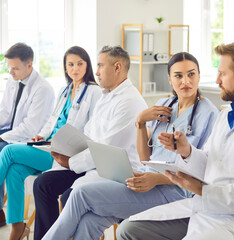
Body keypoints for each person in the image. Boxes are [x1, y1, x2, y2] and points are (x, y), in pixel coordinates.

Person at [117, 41, 234, 240]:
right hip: (204, 206)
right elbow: (211, 162)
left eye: (223, 74)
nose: (218, 80)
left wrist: (201, 189)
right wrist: (187, 151)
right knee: (129, 230)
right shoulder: (228, 113)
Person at [42, 52, 219, 240]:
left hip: (176, 191)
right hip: (144, 181)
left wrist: (156, 179)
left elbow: (203, 170)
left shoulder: (209, 114)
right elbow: (145, 157)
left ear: (199, 75)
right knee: (89, 222)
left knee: (80, 194)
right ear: (169, 79)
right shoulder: (164, 106)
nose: (186, 81)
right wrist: (141, 123)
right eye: (178, 76)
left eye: (191, 74)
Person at [33, 45, 148, 240]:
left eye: (101, 66)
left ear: (117, 67)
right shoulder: (107, 95)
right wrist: (65, 149)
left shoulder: (129, 102)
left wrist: (70, 162)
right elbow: (88, 133)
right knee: (43, 184)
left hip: (112, 172)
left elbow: (104, 149)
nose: (96, 72)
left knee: (71, 195)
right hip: (90, 165)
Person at [0, 46, 101, 240]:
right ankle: (17, 228)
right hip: (48, 146)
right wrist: (41, 135)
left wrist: (58, 142)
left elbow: (91, 129)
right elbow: (51, 121)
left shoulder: (94, 93)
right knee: (14, 171)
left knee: (9, 152)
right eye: (70, 64)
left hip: (65, 154)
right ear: (65, 67)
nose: (75, 68)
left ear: (87, 65)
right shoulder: (65, 90)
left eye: (80, 63)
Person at [0, 43, 55, 227]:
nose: (11, 72)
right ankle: (5, 215)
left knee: (3, 149)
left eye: (15, 68)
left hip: (30, 139)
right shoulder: (13, 81)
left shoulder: (43, 89)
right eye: (10, 68)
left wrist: (2, 138)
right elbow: (6, 113)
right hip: (11, 130)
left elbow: (31, 128)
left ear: (29, 65)